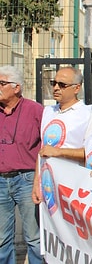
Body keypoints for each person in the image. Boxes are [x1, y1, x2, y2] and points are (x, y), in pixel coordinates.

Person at [33, 66, 92, 203]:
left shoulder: (89, 114)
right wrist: (36, 182)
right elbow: (42, 150)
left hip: (73, 187)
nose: (56, 88)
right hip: (48, 185)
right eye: (54, 83)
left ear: (76, 88)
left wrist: (59, 152)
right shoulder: (48, 111)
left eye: (62, 85)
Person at [0, 66, 43, 263]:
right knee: (1, 238)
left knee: (34, 237)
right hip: (1, 181)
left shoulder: (35, 110)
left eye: (1, 83)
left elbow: (47, 142)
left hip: (27, 179)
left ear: (16, 87)